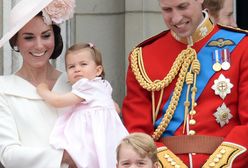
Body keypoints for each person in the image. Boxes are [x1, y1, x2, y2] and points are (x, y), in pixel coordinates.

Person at [122, 0, 248, 167]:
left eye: (183, 7)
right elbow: (138, 131)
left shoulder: (242, 47)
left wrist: (219, 164)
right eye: (167, 10)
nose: (176, 18)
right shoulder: (144, 57)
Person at [0, 0, 78, 167]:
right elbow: (8, 154)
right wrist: (63, 157)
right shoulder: (3, 90)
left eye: (45, 35)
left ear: (55, 37)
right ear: (15, 42)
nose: (39, 45)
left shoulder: (74, 84)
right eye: (29, 37)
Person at [37, 42, 128, 168]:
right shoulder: (103, 85)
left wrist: (43, 90)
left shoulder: (86, 85)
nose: (77, 69)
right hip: (107, 137)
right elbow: (116, 109)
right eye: (71, 66)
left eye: (83, 64)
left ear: (98, 70)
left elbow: (58, 101)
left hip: (92, 138)